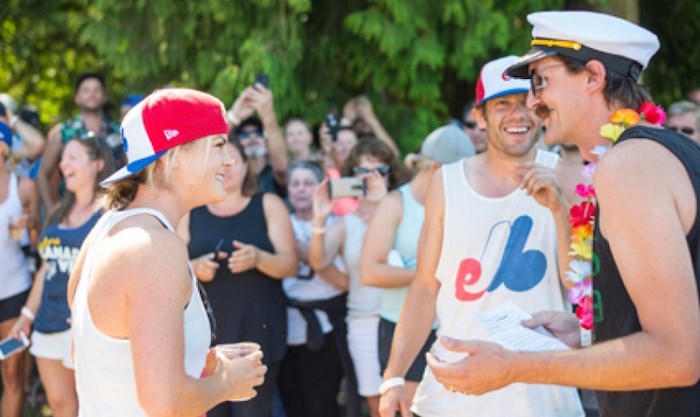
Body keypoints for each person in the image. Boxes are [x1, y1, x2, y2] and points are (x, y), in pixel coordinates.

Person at [425, 11, 700, 417]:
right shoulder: (660, 151)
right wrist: (591, 333)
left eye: (541, 80)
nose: (532, 101)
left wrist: (515, 367)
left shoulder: (628, 167)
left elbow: (677, 356)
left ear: (592, 77)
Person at [378, 56, 583, 417]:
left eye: (526, 104)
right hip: (455, 394)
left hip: (540, 396)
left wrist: (559, 209)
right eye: (503, 104)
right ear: (479, 116)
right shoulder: (447, 182)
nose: (518, 115)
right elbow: (426, 288)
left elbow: (578, 286)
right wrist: (394, 376)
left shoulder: (565, 176)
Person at [66, 88, 267, 417]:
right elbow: (165, 403)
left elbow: (105, 362)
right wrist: (228, 383)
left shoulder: (108, 229)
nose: (229, 159)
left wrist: (198, 359)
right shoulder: (154, 247)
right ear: (171, 156)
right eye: (217, 145)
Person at [179, 135, 297, 417]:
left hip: (258, 329)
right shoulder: (190, 211)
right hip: (207, 334)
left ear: (247, 167)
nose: (227, 165)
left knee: (254, 410)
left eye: (235, 159)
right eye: (221, 158)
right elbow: (172, 268)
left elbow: (291, 265)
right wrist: (194, 268)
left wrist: (259, 259)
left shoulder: (268, 203)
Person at [360, 124, 475, 411]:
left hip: (450, 327)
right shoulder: (397, 203)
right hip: (400, 326)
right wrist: (430, 275)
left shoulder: (461, 202)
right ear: (436, 168)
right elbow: (370, 271)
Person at [11, 135, 113, 417]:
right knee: (59, 406)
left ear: (97, 165)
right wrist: (26, 317)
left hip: (83, 327)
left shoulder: (110, 215)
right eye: (62, 158)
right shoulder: (58, 211)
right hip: (46, 324)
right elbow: (47, 268)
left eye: (72, 157)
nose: (62, 164)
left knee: (90, 407)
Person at [309, 138, 403, 417]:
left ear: (390, 175)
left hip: (404, 317)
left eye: (379, 171)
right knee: (377, 404)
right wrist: (318, 220)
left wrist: (385, 201)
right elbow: (318, 261)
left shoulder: (405, 214)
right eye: (363, 173)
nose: (371, 179)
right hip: (364, 321)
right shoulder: (346, 225)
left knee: (412, 396)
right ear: (353, 178)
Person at [278, 160, 349, 417]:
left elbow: (343, 282)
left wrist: (303, 250)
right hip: (285, 325)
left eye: (308, 183)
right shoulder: (279, 222)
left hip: (325, 326)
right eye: (295, 184)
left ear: (320, 188)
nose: (300, 189)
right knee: (292, 404)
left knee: (322, 405)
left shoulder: (336, 224)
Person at [0, 119, 40, 417]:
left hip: (14, 294)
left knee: (12, 375)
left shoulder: (23, 186)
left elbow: (40, 245)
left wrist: (30, 226)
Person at [38, 72, 121, 211]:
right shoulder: (63, 132)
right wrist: (51, 208)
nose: (92, 94)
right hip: (73, 213)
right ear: (77, 98)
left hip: (113, 209)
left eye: (96, 90)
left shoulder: (119, 132)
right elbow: (43, 174)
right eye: (86, 90)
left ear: (104, 97)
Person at [226, 84, 289, 199]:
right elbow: (208, 148)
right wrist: (234, 116)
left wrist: (267, 115)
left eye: (257, 133)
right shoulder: (228, 176)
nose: (252, 138)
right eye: (245, 135)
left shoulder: (276, 176)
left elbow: (282, 168)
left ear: (265, 140)